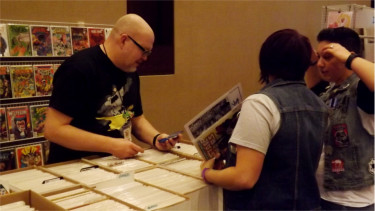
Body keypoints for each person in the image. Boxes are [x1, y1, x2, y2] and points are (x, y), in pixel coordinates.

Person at [200, 29, 329, 210]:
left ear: (266, 61)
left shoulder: (260, 103)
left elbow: (243, 178)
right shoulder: (319, 105)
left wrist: (207, 173)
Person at [44, 14, 181, 164]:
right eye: (144, 51)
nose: (145, 58)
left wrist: (156, 138)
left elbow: (136, 119)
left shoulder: (130, 71)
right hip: (75, 168)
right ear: (124, 40)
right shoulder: (78, 68)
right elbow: (53, 130)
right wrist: (111, 145)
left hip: (114, 167)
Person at [315, 27, 374, 210]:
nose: (320, 64)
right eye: (318, 57)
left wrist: (350, 59)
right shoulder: (330, 90)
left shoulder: (361, 90)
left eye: (328, 57)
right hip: (324, 195)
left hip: (351, 202)